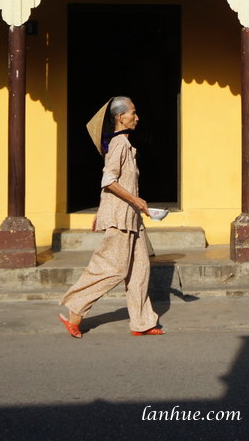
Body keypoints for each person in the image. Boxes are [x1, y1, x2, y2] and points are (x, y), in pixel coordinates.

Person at [58, 96, 164, 338]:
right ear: (120, 117)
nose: (137, 118)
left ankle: (142, 323)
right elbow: (108, 180)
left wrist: (102, 210)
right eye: (133, 113)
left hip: (130, 218)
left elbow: (111, 185)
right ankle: (75, 311)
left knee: (140, 269)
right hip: (121, 217)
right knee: (112, 268)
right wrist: (137, 201)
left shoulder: (124, 144)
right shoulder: (119, 145)